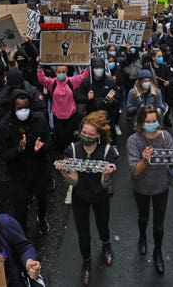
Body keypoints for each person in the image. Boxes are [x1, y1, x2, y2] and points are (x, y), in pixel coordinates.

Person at [126, 105, 173, 274]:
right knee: (143, 218)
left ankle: (157, 251)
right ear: (140, 122)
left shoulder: (165, 137)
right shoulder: (133, 141)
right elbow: (134, 172)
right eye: (147, 121)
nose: (151, 124)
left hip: (161, 188)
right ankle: (142, 237)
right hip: (141, 188)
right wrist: (145, 160)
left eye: (154, 121)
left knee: (159, 225)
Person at [53, 111, 117, 286]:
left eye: (90, 134)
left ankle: (106, 243)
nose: (86, 137)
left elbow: (105, 185)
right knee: (83, 233)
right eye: (84, 133)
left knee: (102, 225)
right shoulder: (73, 149)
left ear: (99, 135)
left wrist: (106, 177)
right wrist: (62, 172)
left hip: (100, 195)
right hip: (80, 196)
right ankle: (86, 261)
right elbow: (74, 180)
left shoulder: (107, 151)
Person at [0, 89, 51, 236]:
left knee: (42, 199)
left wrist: (41, 148)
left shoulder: (39, 120)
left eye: (26, 107)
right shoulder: (5, 125)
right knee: (20, 206)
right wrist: (17, 149)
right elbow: (3, 154)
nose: (23, 111)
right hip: (18, 174)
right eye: (19, 108)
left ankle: (41, 218)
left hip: (39, 169)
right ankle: (23, 229)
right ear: (13, 109)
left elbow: (49, 142)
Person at [37, 62, 90, 152]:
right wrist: (39, 67)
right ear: (55, 72)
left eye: (63, 72)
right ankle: (61, 154)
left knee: (69, 138)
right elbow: (42, 79)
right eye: (59, 72)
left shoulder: (71, 81)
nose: (61, 74)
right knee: (60, 139)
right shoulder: (52, 82)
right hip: (58, 116)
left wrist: (89, 63)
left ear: (67, 72)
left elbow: (83, 76)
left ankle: (70, 153)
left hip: (70, 115)